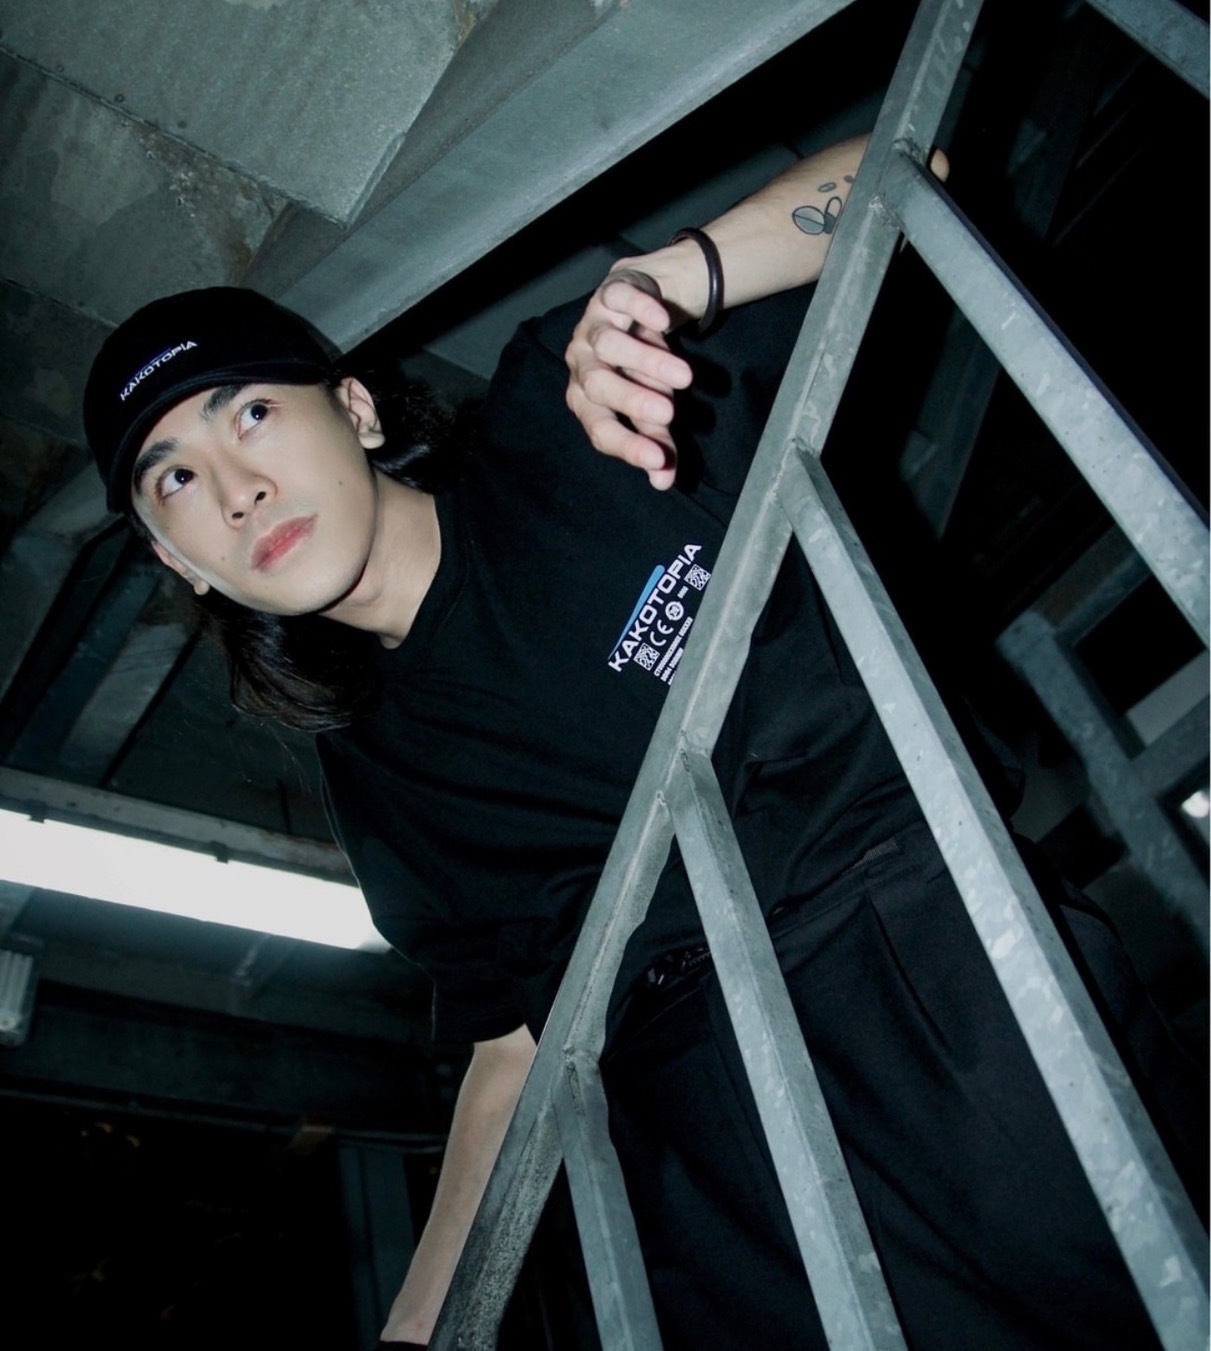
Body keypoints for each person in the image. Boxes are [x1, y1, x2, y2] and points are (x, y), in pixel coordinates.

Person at [82, 136, 1195, 1350]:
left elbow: (906, 163)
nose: (236, 488)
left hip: (915, 958)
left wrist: (674, 278)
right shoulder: (371, 780)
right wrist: (414, 1327)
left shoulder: (570, 416)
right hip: (703, 1150)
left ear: (352, 407)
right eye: (175, 481)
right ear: (180, 560)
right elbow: (508, 1045)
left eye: (251, 413)